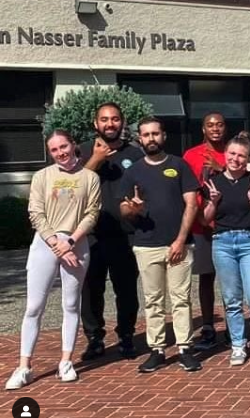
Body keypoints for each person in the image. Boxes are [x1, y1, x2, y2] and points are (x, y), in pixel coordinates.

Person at [5, 130, 101, 390]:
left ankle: (66, 362)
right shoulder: (42, 177)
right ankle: (24, 366)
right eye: (55, 149)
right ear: (51, 153)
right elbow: (35, 213)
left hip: (77, 244)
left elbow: (92, 214)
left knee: (71, 304)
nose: (61, 153)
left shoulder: (89, 178)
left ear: (73, 145)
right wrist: (57, 244)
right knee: (34, 307)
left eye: (64, 146)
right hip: (45, 245)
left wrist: (70, 242)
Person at [119, 117, 201, 373]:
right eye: (146, 135)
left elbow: (192, 204)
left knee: (181, 298)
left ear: (163, 136)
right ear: (139, 139)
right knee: (153, 299)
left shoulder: (179, 166)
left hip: (179, 245)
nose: (151, 139)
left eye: (155, 134)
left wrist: (180, 240)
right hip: (146, 245)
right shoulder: (133, 171)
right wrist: (133, 209)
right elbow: (123, 208)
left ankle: (185, 348)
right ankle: (157, 349)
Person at [202, 132, 250, 366]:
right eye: (232, 154)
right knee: (232, 299)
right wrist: (213, 202)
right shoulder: (213, 183)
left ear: (247, 158)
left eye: (242, 155)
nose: (236, 159)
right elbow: (205, 220)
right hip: (223, 242)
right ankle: (237, 344)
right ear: (225, 155)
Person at [79, 102, 143, 360]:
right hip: (91, 234)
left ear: (122, 122)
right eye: (104, 120)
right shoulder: (82, 151)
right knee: (91, 290)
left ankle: (126, 337)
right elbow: (74, 187)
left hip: (125, 234)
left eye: (115, 119)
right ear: (96, 124)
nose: (110, 124)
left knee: (126, 290)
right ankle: (95, 339)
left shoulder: (135, 155)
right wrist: (95, 159)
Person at [183, 112, 228, 350]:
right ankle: (209, 326)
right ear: (203, 129)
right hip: (201, 227)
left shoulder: (232, 152)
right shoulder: (191, 155)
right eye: (210, 125)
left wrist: (221, 168)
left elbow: (241, 182)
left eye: (219, 125)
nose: (215, 129)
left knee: (232, 280)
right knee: (206, 277)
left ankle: (233, 325)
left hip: (229, 225)